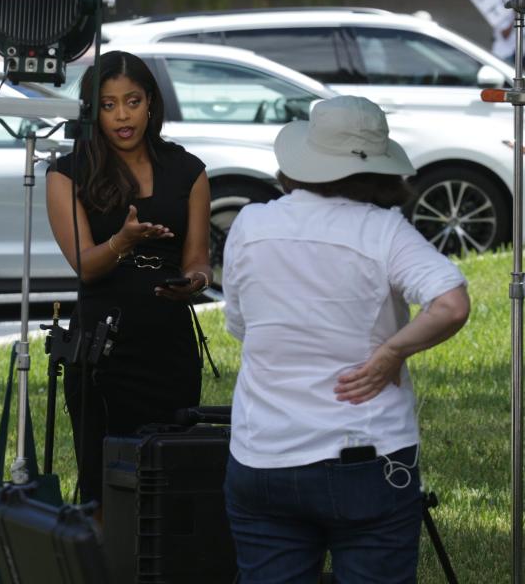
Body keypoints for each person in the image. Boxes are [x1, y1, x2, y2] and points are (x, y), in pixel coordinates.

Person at [221, 95, 470, 583]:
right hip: (368, 457)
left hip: (262, 455)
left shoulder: (250, 224)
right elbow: (451, 304)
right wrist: (392, 351)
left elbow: (241, 326)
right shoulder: (384, 232)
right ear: (380, 168)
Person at [45, 50, 212, 509]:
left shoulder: (189, 170)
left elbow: (198, 259)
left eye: (133, 101)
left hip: (168, 345)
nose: (122, 115)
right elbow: (86, 265)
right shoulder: (67, 173)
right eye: (109, 104)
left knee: (169, 475)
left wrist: (193, 282)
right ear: (92, 110)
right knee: (103, 483)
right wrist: (124, 239)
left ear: (152, 104)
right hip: (102, 349)